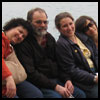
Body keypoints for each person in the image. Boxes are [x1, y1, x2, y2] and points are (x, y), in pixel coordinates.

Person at [14, 8, 86, 98]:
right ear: (29, 23)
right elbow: (31, 73)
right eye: (38, 22)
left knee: (80, 94)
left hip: (56, 79)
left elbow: (59, 62)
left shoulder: (49, 38)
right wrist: (55, 87)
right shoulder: (24, 43)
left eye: (45, 22)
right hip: (39, 83)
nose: (43, 25)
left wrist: (67, 79)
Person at [55, 12, 98, 98]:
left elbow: (96, 55)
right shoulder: (62, 44)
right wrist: (93, 78)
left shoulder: (81, 36)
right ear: (58, 29)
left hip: (95, 72)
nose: (69, 28)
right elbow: (71, 69)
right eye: (65, 26)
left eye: (71, 24)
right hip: (83, 80)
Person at [2, 18, 43, 98]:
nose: (20, 36)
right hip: (7, 80)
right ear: (10, 27)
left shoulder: (12, 46)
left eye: (23, 36)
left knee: (36, 94)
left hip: (15, 80)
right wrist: (9, 79)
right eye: (20, 31)